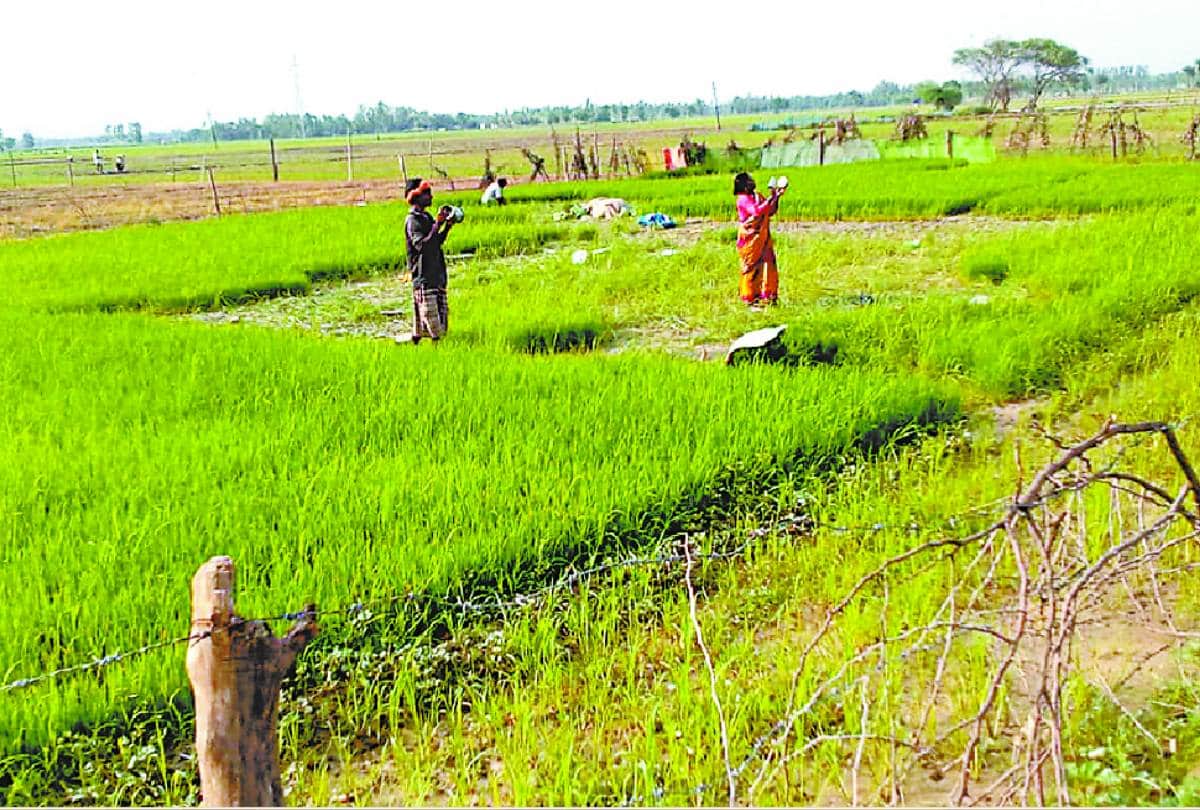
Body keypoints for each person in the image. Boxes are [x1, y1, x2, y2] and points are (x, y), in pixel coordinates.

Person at [403, 178, 457, 343]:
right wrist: (437, 224)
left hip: (435, 273)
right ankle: (437, 351)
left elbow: (436, 242)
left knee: (438, 316)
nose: (431, 197)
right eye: (427, 194)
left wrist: (446, 227)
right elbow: (422, 246)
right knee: (431, 319)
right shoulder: (413, 221)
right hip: (423, 275)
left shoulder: (426, 216)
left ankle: (419, 347)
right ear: (416, 197)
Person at [733, 172, 786, 306]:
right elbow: (756, 211)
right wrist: (771, 198)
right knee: (751, 268)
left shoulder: (757, 196)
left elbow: (770, 210)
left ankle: (767, 296)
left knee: (768, 264)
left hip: (763, 238)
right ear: (744, 186)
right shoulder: (742, 199)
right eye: (750, 180)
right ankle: (750, 298)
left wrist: (776, 197)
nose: (753, 182)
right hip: (750, 238)